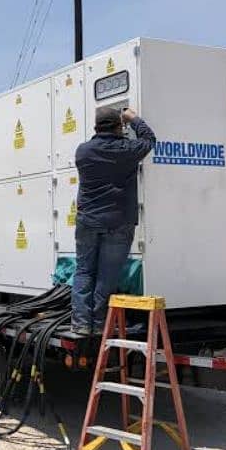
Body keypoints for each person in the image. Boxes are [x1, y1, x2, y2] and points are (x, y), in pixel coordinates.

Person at [71, 107, 156, 336]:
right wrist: (134, 118)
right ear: (119, 127)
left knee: (84, 271)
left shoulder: (83, 151)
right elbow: (149, 140)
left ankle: (80, 323)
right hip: (118, 222)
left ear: (96, 127)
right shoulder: (126, 150)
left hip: (88, 220)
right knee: (106, 276)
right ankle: (99, 325)